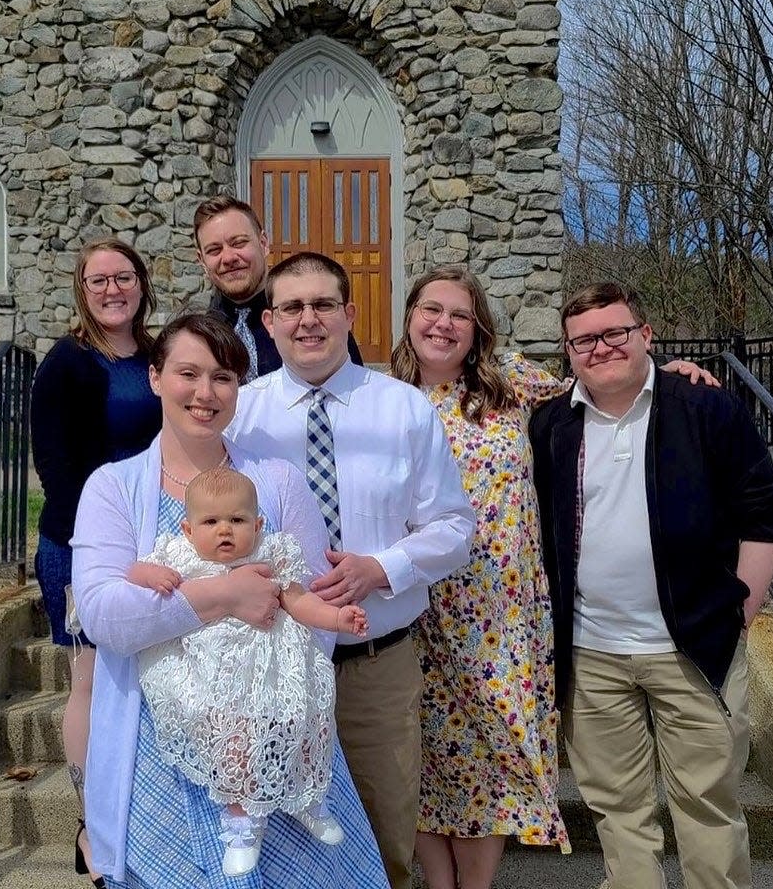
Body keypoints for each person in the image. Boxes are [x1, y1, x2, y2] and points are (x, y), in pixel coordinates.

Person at [390, 266, 714, 889]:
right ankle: (438, 881)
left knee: (497, 753)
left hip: (505, 613)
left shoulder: (509, 382)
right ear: (410, 317)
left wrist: (666, 371)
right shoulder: (383, 399)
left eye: (459, 314)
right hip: (419, 609)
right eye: (432, 309)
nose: (444, 324)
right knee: (425, 758)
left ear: (477, 326)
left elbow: (596, 381)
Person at [70, 313, 389, 889]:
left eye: (222, 377)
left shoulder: (277, 482)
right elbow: (105, 616)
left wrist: (259, 698)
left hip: (274, 732)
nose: (204, 392)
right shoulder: (113, 488)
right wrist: (225, 595)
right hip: (162, 745)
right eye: (187, 373)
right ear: (155, 377)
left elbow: (311, 606)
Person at [226, 253, 476, 889]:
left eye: (323, 305)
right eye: (292, 308)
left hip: (375, 664)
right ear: (269, 322)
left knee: (386, 833)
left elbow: (455, 528)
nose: (308, 320)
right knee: (276, 842)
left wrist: (380, 568)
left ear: (349, 314)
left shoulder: (404, 411)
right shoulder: (240, 418)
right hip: (269, 664)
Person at [530, 282, 773, 889]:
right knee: (618, 812)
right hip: (592, 653)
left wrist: (741, 611)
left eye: (615, 332)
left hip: (694, 647)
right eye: (583, 340)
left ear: (646, 335)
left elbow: (763, 509)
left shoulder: (703, 407)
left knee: (707, 807)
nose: (601, 348)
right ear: (567, 353)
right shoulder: (551, 425)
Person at [130, 466, 368, 877]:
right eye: (211, 522)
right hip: (219, 674)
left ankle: (307, 799)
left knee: (306, 719)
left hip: (278, 666)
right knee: (233, 744)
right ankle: (242, 824)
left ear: (257, 524)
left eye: (237, 520)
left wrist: (337, 618)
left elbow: (300, 601)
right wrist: (149, 574)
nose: (225, 530)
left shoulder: (272, 554)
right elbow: (131, 573)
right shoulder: (179, 556)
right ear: (188, 530)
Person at [30, 237, 161, 888]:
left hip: (156, 547)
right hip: (85, 548)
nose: (113, 289)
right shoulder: (68, 363)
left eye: (124, 277)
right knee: (88, 683)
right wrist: (115, 544)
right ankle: (90, 825)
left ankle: (136, 814)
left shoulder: (159, 356)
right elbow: (57, 470)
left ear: (142, 284)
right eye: (99, 279)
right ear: (81, 289)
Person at [193, 194, 364, 380]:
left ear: (264, 243)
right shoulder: (201, 338)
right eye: (214, 250)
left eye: (239, 243)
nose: (228, 258)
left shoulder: (312, 321)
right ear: (201, 260)